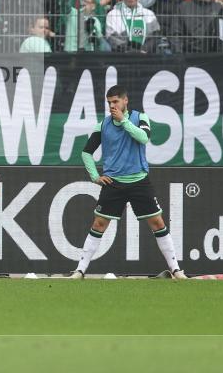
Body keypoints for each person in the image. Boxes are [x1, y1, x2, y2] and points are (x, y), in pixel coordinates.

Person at [70, 85, 186, 279]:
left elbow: (143, 138)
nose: (112, 106)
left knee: (157, 222)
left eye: (115, 101)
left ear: (125, 101)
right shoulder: (103, 125)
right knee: (99, 224)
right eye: (109, 103)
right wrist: (95, 177)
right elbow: (86, 152)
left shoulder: (140, 118)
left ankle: (176, 270)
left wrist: (123, 121)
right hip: (113, 183)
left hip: (139, 180)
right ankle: (80, 271)